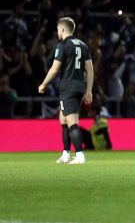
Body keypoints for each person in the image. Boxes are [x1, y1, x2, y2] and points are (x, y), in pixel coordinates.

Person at [38, 17, 93, 165]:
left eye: (57, 29)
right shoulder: (83, 45)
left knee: (72, 122)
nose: (57, 32)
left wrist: (44, 83)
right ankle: (66, 154)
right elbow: (90, 70)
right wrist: (89, 90)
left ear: (62, 29)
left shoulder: (62, 45)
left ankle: (80, 155)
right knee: (63, 120)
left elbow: (55, 69)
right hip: (79, 87)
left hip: (68, 87)